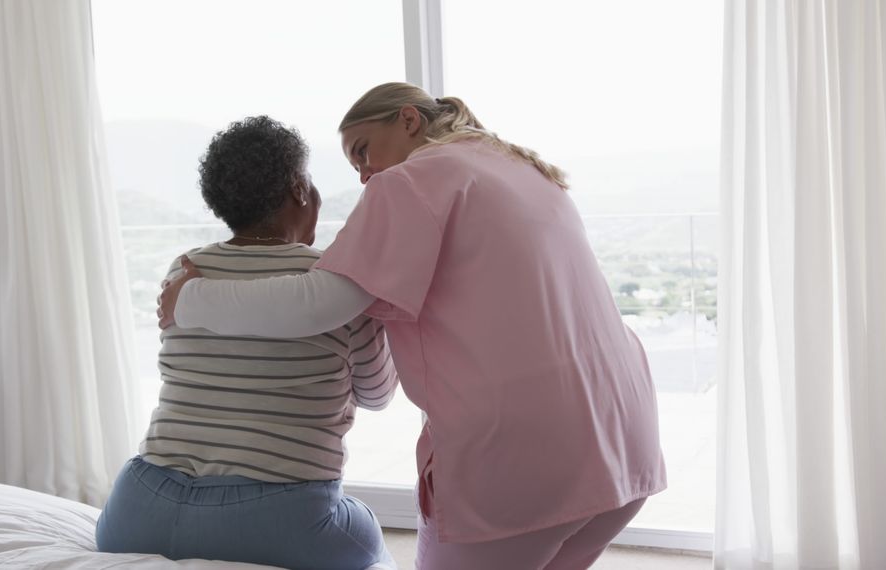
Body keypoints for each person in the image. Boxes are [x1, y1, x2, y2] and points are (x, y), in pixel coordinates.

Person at [159, 83, 666, 570]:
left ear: (407, 120)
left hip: (527, 459)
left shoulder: (411, 179)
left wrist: (190, 299)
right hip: (622, 437)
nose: (363, 175)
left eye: (362, 151)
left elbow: (319, 302)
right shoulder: (520, 168)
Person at [97, 116, 398, 570]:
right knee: (368, 535)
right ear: (300, 188)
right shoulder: (335, 284)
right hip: (275, 515)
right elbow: (376, 394)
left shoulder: (184, 272)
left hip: (138, 509)